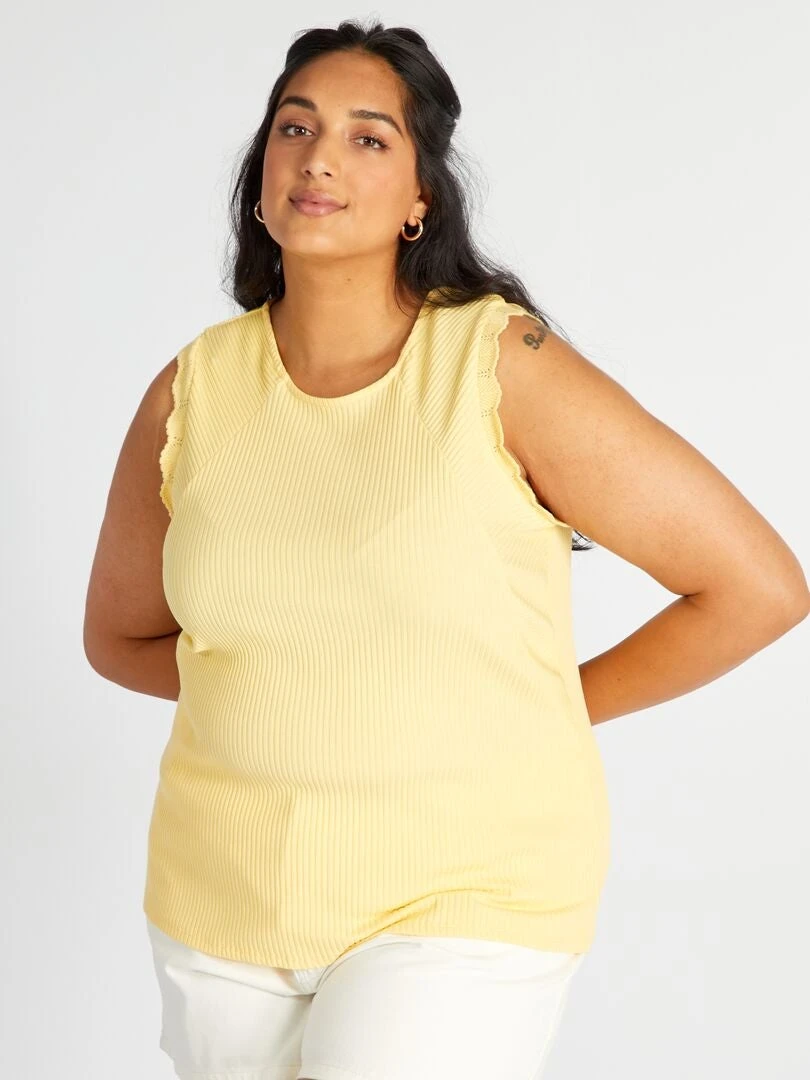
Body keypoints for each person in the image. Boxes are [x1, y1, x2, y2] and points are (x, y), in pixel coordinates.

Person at [83, 18, 810, 1080]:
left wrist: (541, 706)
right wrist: (306, 686)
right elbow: (121, 638)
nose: (320, 158)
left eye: (368, 138)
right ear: (262, 174)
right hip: (223, 897)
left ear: (421, 196)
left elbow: (756, 587)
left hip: (464, 890)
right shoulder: (190, 390)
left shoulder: (499, 362)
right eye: (295, 128)